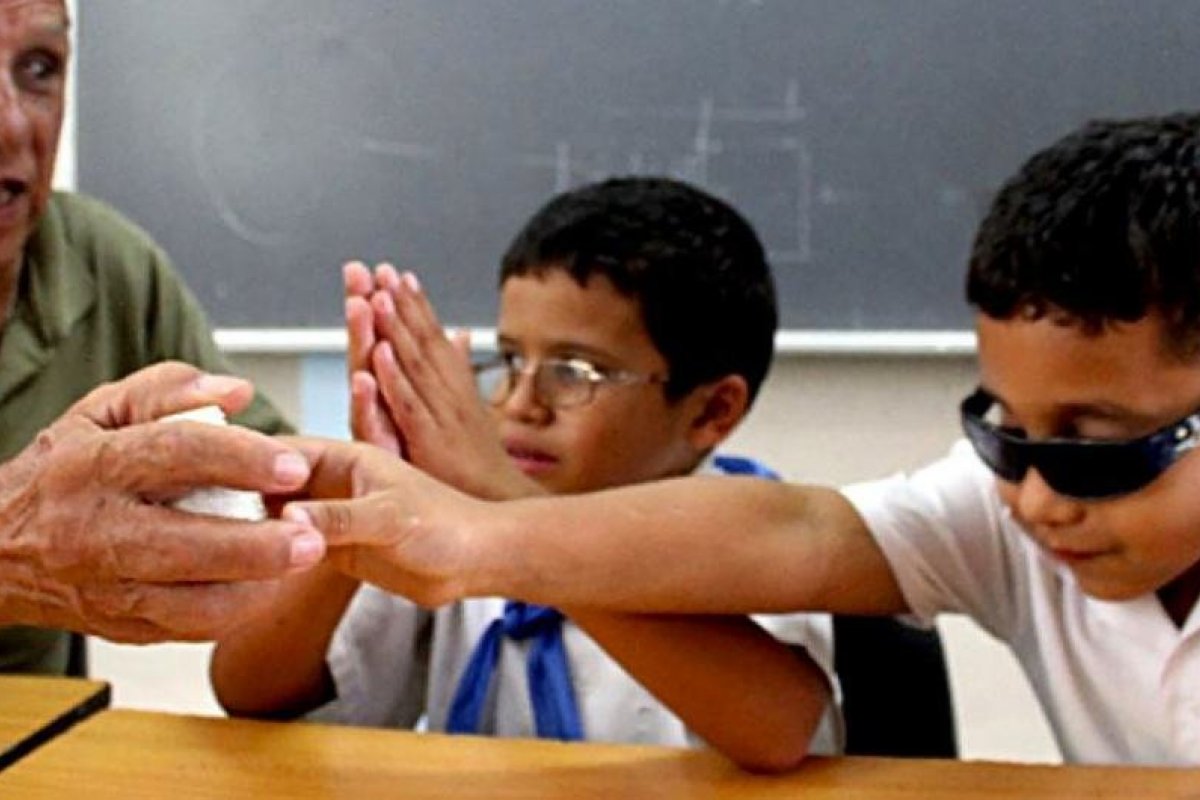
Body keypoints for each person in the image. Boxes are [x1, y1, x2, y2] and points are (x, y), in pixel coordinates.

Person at [278, 113, 1200, 766]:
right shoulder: (1006, 518)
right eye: (1003, 435)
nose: (1036, 497)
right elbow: (803, 531)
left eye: (1095, 448)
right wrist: (470, 521)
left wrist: (493, 509)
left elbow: (777, 718)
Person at [211, 177, 838, 772]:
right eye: (511, 360)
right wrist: (370, 486)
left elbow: (781, 729)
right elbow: (249, 692)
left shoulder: (754, 535)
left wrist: (509, 507)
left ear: (711, 411)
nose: (519, 404)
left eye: (573, 372)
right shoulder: (450, 514)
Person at [0, 0, 317, 672]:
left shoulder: (98, 259)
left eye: (39, 70)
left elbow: (269, 470)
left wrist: (372, 478)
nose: (11, 124)